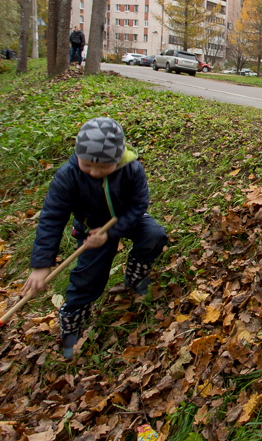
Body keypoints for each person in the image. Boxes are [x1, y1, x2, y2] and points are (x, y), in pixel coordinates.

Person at [21, 117, 168, 358]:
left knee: (154, 235)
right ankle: (73, 321)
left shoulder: (131, 169)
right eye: (87, 165)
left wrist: (112, 232)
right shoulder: (68, 176)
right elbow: (52, 217)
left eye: (103, 167)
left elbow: (139, 204)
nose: (94, 172)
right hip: (91, 230)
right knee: (89, 277)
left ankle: (136, 277)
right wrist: (41, 264)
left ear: (118, 158)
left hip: (125, 219)